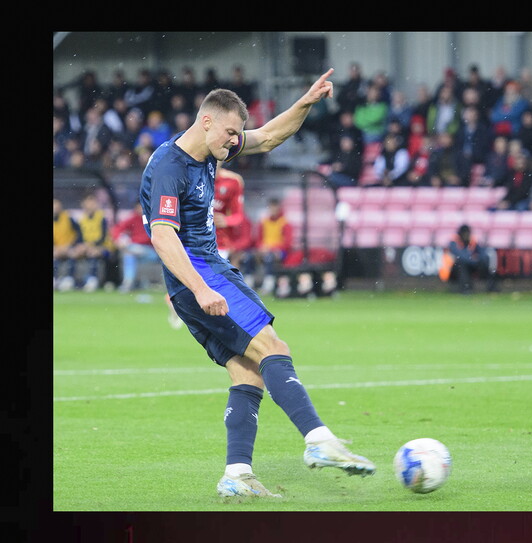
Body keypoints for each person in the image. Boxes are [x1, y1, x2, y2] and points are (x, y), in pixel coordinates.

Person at [138, 68, 376, 500]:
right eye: (230, 132)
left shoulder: (211, 150)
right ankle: (319, 441)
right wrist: (203, 288)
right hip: (201, 274)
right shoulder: (170, 165)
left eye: (236, 135)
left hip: (196, 280)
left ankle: (237, 473)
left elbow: (267, 137)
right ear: (206, 120)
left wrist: (305, 101)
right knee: (274, 348)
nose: (234, 141)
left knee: (247, 370)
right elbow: (162, 235)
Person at [111, 201, 162, 292]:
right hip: (136, 252)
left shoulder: (152, 218)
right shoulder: (133, 218)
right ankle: (128, 282)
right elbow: (116, 229)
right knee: (129, 255)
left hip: (152, 252)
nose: (141, 210)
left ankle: (129, 282)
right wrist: (119, 240)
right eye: (139, 207)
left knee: (129, 251)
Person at [439, 224, 497, 294]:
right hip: (453, 269)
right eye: (465, 234)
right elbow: (460, 256)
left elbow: (482, 253)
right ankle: (466, 288)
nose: (466, 235)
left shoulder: (472, 241)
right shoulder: (453, 242)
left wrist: (478, 260)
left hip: (469, 264)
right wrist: (474, 260)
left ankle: (491, 287)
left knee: (486, 261)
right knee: (461, 264)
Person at [252, 198, 294, 295]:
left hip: (280, 251)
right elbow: (258, 240)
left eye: (275, 207)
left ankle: (268, 285)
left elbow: (287, 243)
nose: (273, 210)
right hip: (265, 250)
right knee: (249, 258)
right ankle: (249, 283)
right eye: (271, 207)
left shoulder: (285, 223)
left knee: (269, 258)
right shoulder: (264, 222)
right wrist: (261, 247)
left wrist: (272, 248)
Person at [74, 193, 114, 292]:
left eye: (93, 203)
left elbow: (103, 237)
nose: (91, 205)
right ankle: (69, 279)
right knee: (74, 253)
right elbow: (79, 237)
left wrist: (90, 246)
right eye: (88, 203)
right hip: (88, 247)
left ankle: (92, 279)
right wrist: (80, 246)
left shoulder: (102, 218)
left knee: (94, 253)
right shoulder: (82, 219)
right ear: (83, 204)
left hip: (105, 248)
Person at [53, 198, 83, 291]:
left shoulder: (68, 218)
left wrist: (71, 245)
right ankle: (55, 278)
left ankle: (69, 278)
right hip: (56, 248)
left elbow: (79, 233)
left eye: (57, 206)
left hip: (69, 247)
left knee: (73, 254)